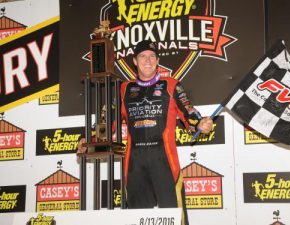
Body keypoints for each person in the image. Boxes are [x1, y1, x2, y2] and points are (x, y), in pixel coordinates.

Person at [78, 40, 213, 225]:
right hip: (135, 164)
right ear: (135, 60)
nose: (147, 60)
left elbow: (189, 111)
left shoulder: (172, 85)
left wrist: (200, 123)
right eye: (142, 56)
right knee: (136, 217)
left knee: (175, 216)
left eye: (151, 56)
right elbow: (108, 121)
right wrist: (90, 138)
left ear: (157, 60)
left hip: (165, 161)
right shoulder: (124, 89)